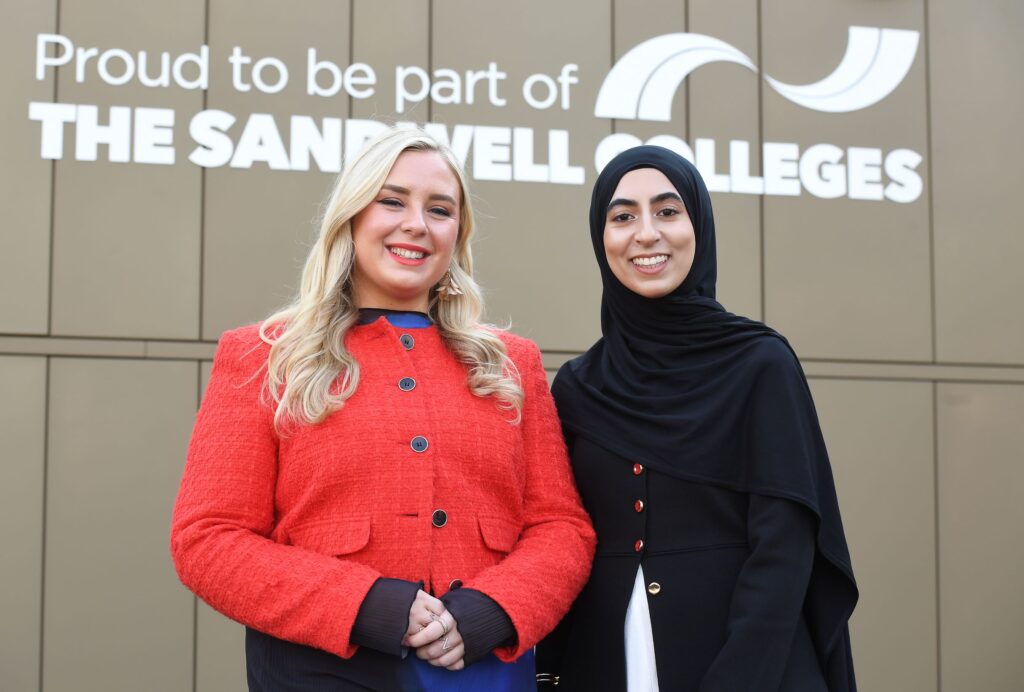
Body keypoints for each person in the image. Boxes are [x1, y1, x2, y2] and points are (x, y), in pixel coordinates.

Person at [170, 127, 595, 692]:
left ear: (457, 234)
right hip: (317, 674)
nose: (416, 224)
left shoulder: (511, 364)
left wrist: (496, 608)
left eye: (439, 209)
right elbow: (208, 539)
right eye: (391, 201)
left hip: (484, 675)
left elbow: (561, 528)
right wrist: (364, 604)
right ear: (350, 216)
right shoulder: (262, 356)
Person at [535, 146, 858, 691]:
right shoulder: (578, 386)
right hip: (603, 665)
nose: (646, 234)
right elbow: (561, 538)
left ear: (699, 226)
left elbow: (784, 544)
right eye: (622, 217)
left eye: (667, 211)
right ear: (600, 237)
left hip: (747, 668)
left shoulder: (759, 363)